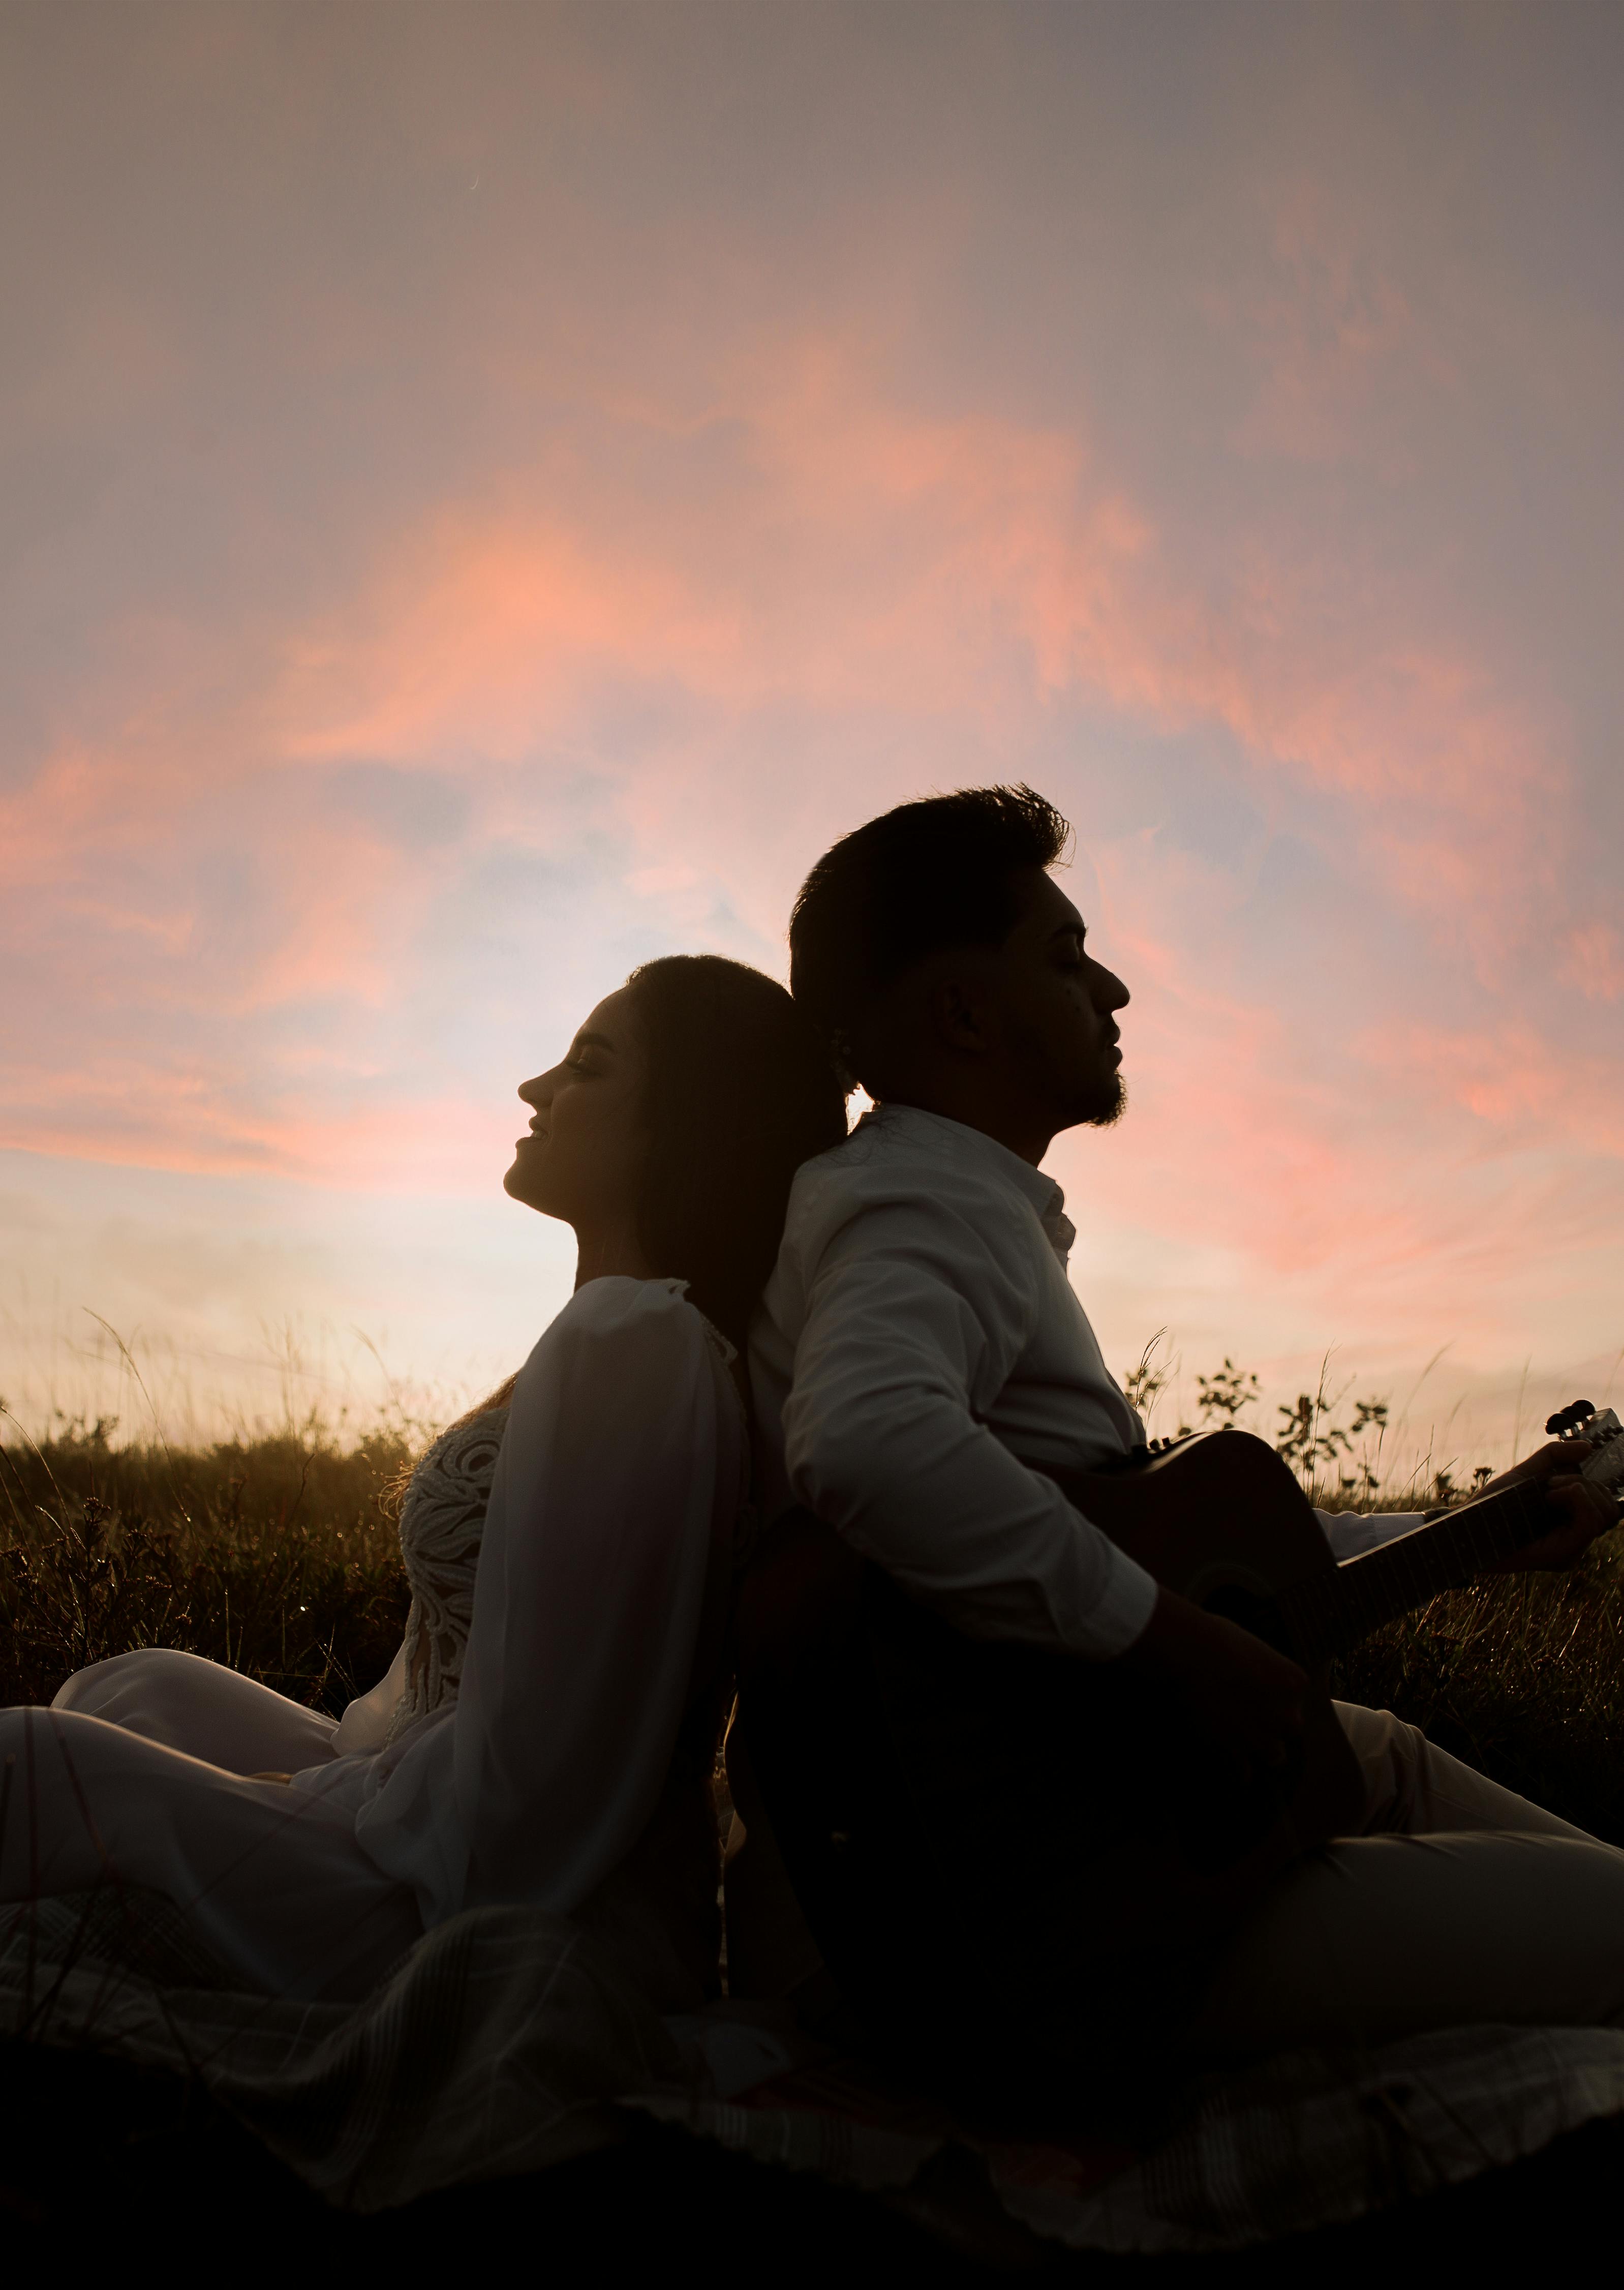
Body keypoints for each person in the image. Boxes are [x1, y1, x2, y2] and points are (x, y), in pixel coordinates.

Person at [736, 785, 1624, 2098]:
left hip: (1019, 1857)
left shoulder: (934, 1200)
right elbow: (867, 1444)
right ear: (963, 1014)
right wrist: (1170, 1647)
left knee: (1373, 1753)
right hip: (1017, 1921)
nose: (1112, 989)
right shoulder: (923, 1192)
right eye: (1061, 953)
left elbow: (1177, 1550)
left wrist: (1480, 1525)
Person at [12, 954, 846, 2009]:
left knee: (34, 1761)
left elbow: (538, 1804)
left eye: (586, 1065)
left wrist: (305, 1804)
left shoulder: (635, 1341)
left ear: (686, 1118)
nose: (535, 1088)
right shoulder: (620, 1331)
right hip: (417, 1795)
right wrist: (314, 1780)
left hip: (469, 1904)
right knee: (133, 1686)